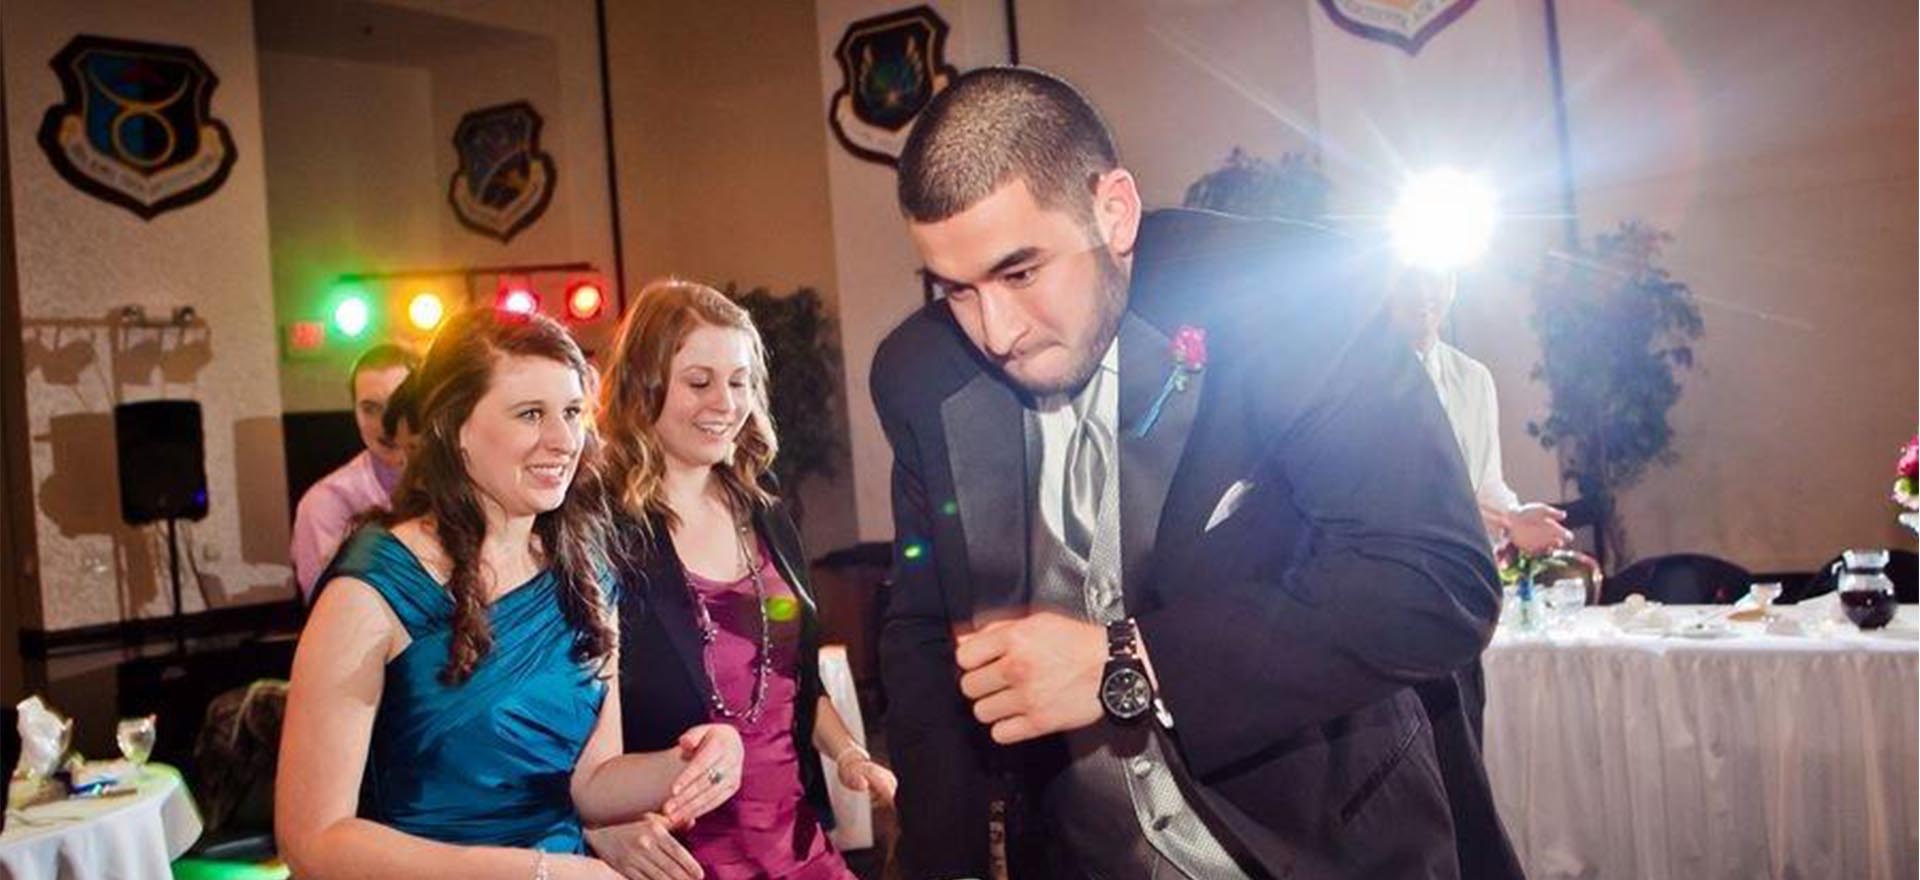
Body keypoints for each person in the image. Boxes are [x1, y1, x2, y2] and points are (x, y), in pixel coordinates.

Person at [870, 66, 1504, 879]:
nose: (995, 331)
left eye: (1020, 273)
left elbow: (1435, 584)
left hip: (1326, 837)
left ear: (1114, 210)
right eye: (956, 289)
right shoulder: (920, 377)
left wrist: (1124, 662)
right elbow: (926, 639)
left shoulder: (1282, 299)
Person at [277, 308, 747, 879]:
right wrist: (536, 872)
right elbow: (312, 839)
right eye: (531, 415)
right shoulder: (370, 590)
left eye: (573, 413)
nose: (563, 440)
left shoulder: (587, 568)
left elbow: (590, 782)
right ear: (455, 429)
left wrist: (694, 762)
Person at [592, 280, 896, 880]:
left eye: (738, 382)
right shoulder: (601, 530)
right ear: (642, 386)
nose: (725, 403)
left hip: (798, 840)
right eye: (699, 382)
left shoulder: (766, 512)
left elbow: (790, 682)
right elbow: (554, 722)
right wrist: (602, 821)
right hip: (682, 855)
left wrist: (851, 755)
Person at [1390, 268, 1573, 555]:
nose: (1423, 293)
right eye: (1408, 280)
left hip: (1462, 571)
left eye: (1434, 277)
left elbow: (1487, 484)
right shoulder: (1354, 381)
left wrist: (1513, 515)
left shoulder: (1474, 378)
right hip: (1387, 571)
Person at [290, 344, 417, 601]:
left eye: (398, 406)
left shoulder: (458, 484)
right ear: (354, 411)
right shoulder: (325, 504)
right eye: (371, 408)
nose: (386, 424)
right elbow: (326, 610)